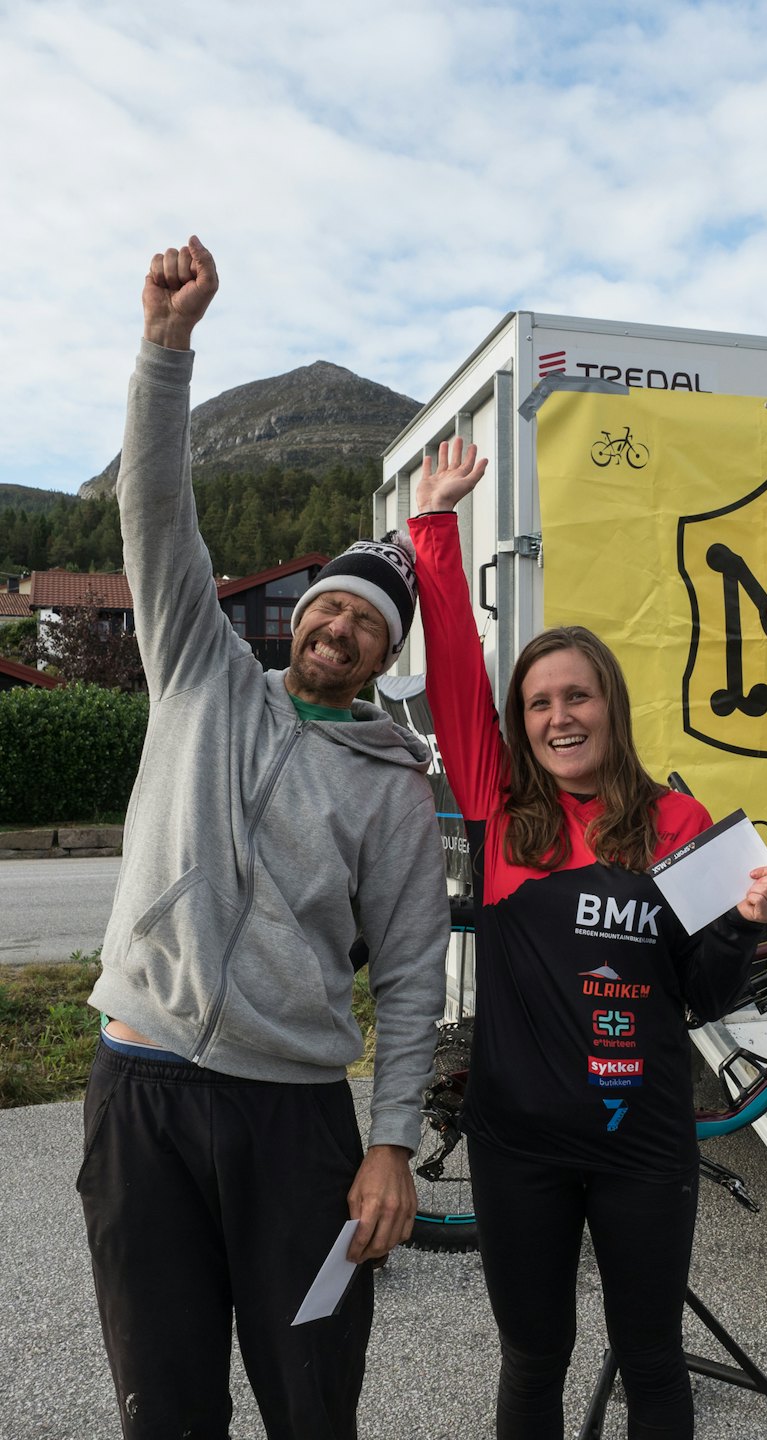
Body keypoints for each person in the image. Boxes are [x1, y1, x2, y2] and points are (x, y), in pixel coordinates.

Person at [78, 236, 450, 1440]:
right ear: (301, 619)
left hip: (292, 1118)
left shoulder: (392, 783)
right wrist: (165, 351)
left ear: (386, 659)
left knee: (311, 1398)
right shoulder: (200, 673)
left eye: (371, 623)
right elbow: (155, 509)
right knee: (164, 1403)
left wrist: (392, 1139)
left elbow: (407, 974)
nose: (344, 626)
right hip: (139, 1086)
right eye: (332, 606)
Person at [408, 439, 767, 1439]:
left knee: (653, 1362)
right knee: (534, 1361)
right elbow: (454, 669)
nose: (557, 716)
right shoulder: (501, 808)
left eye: (575, 696)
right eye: (538, 703)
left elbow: (703, 994)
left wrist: (747, 927)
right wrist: (435, 529)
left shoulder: (677, 820)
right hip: (517, 1147)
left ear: (609, 707)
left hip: (644, 1147)